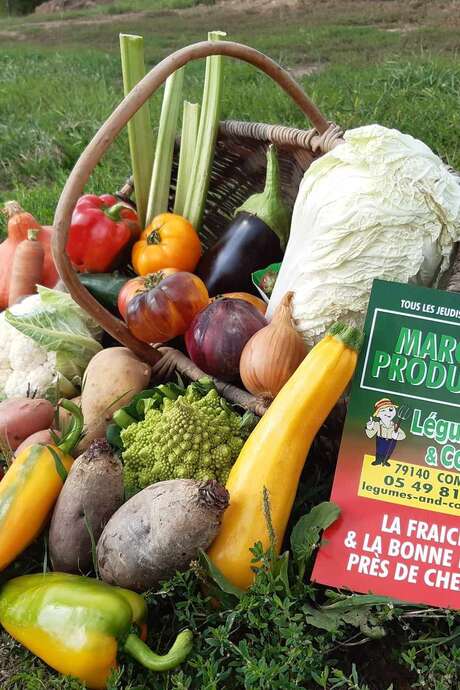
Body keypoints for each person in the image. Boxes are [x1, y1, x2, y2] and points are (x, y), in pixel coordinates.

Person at [365, 398, 406, 467]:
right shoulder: (377, 424)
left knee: (388, 452)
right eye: (383, 410)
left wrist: (396, 435)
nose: (388, 413)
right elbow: (370, 435)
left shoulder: (395, 426)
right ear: (378, 414)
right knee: (379, 452)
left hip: (391, 441)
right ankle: (378, 461)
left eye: (390, 410)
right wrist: (369, 427)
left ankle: (385, 461)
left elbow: (403, 435)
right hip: (381, 440)